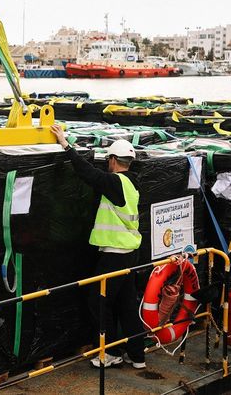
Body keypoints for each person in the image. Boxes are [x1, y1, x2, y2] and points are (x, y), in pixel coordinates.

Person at [50, 125, 146, 370]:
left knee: (98, 302)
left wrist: (65, 145)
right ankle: (137, 356)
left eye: (108, 161)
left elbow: (87, 173)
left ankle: (110, 352)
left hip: (114, 255)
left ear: (113, 160)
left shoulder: (116, 182)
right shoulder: (132, 184)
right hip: (129, 254)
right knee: (126, 305)